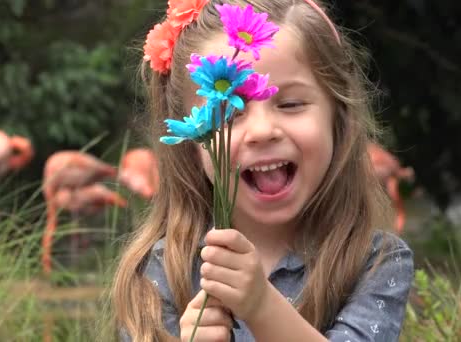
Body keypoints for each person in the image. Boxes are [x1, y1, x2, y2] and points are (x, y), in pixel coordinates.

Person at [112, 0, 414, 341]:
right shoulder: (164, 269)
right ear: (190, 138)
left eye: (290, 104)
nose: (262, 130)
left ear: (337, 118)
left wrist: (262, 307)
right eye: (228, 109)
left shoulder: (373, 261)